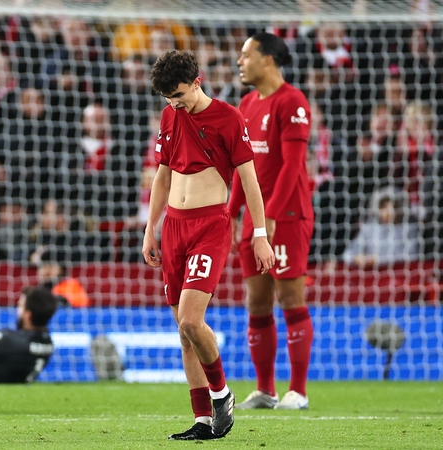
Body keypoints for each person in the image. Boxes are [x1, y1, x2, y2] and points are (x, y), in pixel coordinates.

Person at [143, 50, 275, 440]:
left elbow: (249, 181)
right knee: (184, 333)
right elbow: (162, 177)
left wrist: (260, 234)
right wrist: (151, 228)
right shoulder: (170, 115)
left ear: (197, 81)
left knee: (190, 318)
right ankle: (203, 419)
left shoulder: (229, 118)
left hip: (211, 226)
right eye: (167, 97)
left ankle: (222, 396)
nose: (174, 103)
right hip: (174, 227)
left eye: (179, 94)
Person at [230, 32, 314, 411]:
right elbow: (241, 168)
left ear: (268, 59)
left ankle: (298, 391)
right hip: (255, 219)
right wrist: (231, 212)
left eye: (246, 55)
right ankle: (266, 390)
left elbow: (293, 166)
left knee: (290, 297)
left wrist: (274, 215)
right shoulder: (246, 104)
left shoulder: (292, 101)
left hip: (287, 215)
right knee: (257, 301)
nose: (239, 62)